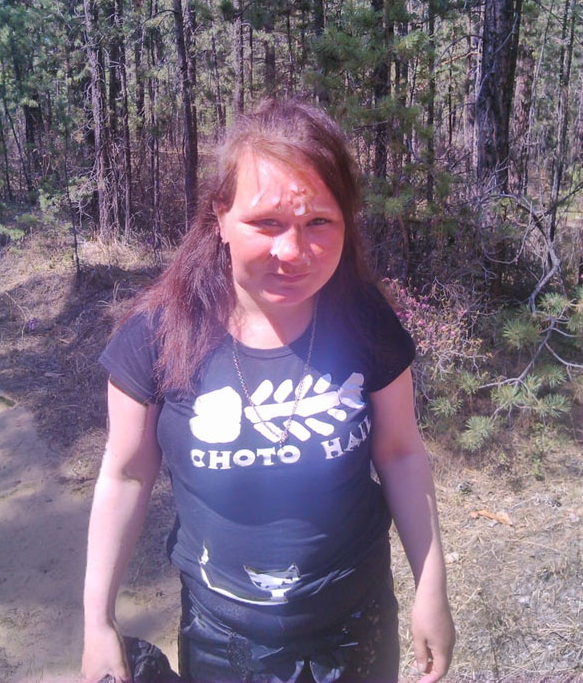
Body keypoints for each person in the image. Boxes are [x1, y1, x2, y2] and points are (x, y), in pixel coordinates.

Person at [81, 99, 455, 683]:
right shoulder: (158, 335)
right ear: (220, 218)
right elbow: (126, 474)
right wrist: (97, 620)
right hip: (222, 639)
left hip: (357, 625)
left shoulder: (364, 320)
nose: (292, 252)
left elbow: (401, 452)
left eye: (318, 222)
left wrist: (431, 588)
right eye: (267, 223)